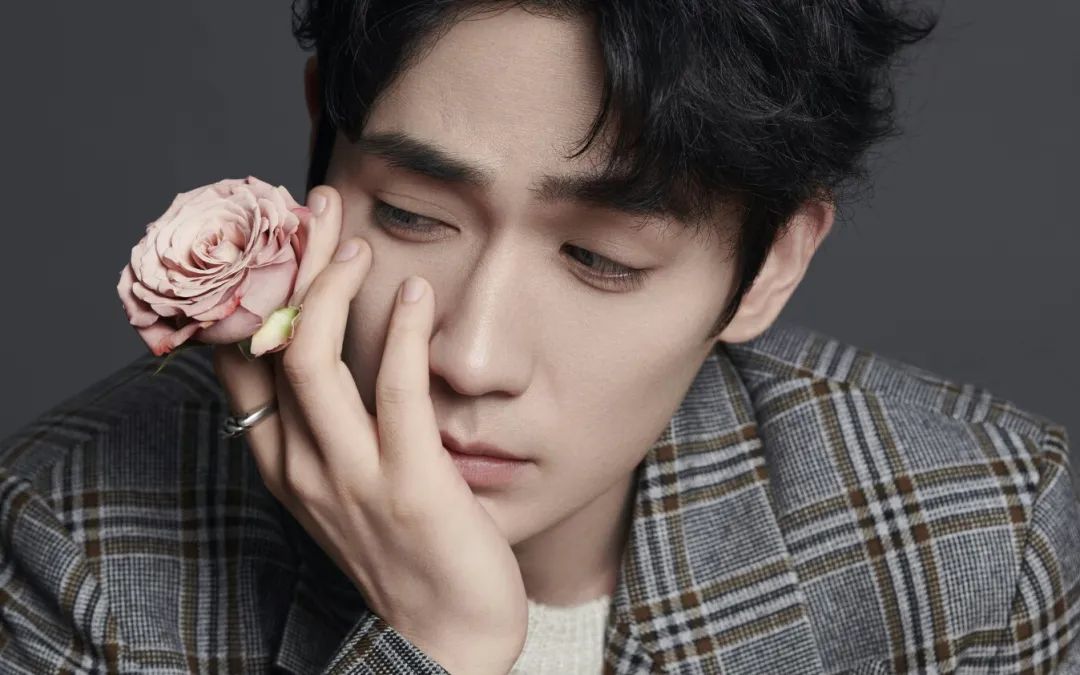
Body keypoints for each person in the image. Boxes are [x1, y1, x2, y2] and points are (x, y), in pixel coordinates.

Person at [1, 1, 1077, 673]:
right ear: (323, 132)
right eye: (411, 215)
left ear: (772, 267)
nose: (470, 357)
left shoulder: (979, 540)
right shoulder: (73, 542)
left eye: (603, 258)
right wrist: (436, 646)